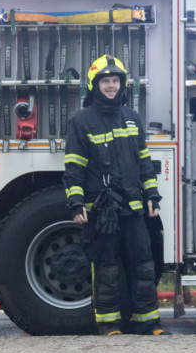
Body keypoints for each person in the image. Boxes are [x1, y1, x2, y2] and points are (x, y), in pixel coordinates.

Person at [63, 55, 168, 336]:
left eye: (116, 80)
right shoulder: (81, 120)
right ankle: (109, 324)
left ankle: (148, 322)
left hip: (133, 208)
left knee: (143, 265)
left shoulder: (132, 118)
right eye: (106, 81)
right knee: (107, 268)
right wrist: (76, 203)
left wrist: (152, 195)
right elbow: (74, 167)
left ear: (122, 84)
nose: (111, 86)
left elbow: (144, 162)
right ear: (94, 85)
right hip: (103, 211)